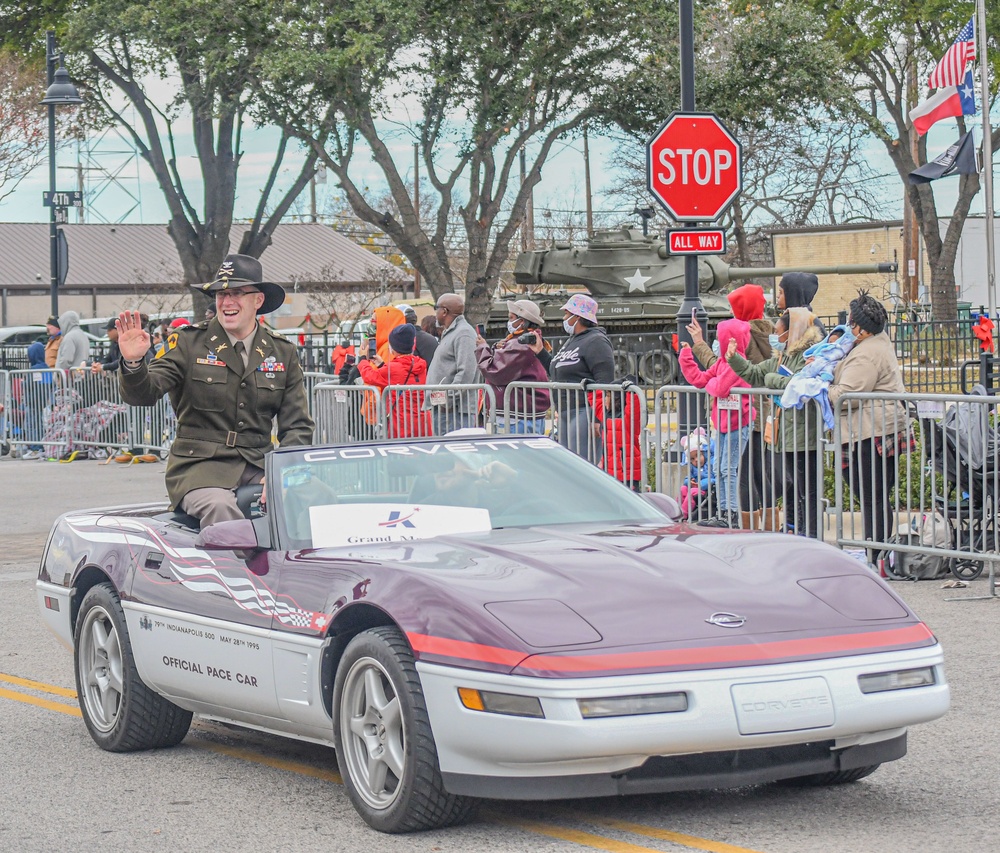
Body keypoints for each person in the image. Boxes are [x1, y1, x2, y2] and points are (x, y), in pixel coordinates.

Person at [116, 253, 314, 529]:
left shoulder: (282, 351)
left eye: (237, 293)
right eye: (221, 294)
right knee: (222, 511)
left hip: (258, 463)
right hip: (200, 468)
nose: (227, 302)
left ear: (258, 301)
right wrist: (134, 362)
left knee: (319, 498)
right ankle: (238, 573)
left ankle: (304, 571)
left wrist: (282, 471)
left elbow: (297, 426)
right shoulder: (188, 342)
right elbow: (144, 394)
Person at [827, 290, 909, 565]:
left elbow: (847, 395)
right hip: (877, 428)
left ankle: (877, 554)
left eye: (851, 322)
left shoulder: (866, 355)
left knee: (871, 495)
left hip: (869, 431)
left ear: (861, 328)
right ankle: (879, 552)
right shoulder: (876, 343)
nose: (848, 327)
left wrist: (824, 389)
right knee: (876, 496)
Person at [727, 308, 825, 538]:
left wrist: (772, 380)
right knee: (797, 490)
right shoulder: (783, 356)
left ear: (793, 333)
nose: (776, 338)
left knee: (807, 491)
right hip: (786, 435)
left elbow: (797, 383)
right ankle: (799, 530)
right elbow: (755, 374)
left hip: (804, 434)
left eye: (780, 334)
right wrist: (734, 359)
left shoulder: (808, 355)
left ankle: (810, 532)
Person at [688, 283, 775, 530]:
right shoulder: (765, 334)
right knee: (756, 472)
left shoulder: (739, 334)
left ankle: (735, 518)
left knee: (738, 472)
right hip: (756, 410)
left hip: (740, 412)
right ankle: (764, 524)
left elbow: (722, 367)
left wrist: (699, 344)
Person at [680, 318, 755, 528]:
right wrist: (687, 356)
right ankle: (722, 512)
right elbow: (700, 380)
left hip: (738, 422)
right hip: (722, 423)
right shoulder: (722, 362)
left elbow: (719, 388)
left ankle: (729, 513)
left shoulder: (736, 361)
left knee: (727, 469)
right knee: (718, 469)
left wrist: (712, 384)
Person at [548, 294, 614, 463]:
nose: (563, 318)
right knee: (569, 465)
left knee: (582, 464)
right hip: (565, 410)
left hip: (584, 411)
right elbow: (558, 369)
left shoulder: (596, 341)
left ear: (577, 316)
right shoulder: (572, 340)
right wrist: (540, 353)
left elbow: (605, 381)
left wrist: (597, 419)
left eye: (566, 314)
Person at [475, 299, 551, 433]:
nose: (508, 322)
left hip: (518, 415)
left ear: (522, 321)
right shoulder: (525, 340)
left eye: (511, 318)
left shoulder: (521, 343)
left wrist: (482, 348)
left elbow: (494, 371)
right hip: (521, 412)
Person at [357, 323, 431, 437]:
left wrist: (362, 358)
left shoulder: (394, 368)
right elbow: (399, 377)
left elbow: (369, 376)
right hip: (422, 422)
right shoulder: (420, 364)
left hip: (402, 424)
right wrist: (382, 365)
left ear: (393, 347)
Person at [424, 293, 480, 433]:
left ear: (444, 311)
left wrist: (448, 401)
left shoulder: (464, 333)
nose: (436, 312)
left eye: (437, 308)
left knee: (455, 453)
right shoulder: (453, 332)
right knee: (444, 453)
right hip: (445, 409)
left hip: (455, 412)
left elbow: (466, 371)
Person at [679, 427, 715, 516]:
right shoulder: (692, 467)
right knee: (683, 489)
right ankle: (676, 510)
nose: (696, 460)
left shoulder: (711, 464)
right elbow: (687, 477)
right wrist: (689, 482)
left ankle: (684, 514)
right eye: (692, 459)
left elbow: (715, 479)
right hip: (694, 487)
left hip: (707, 490)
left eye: (698, 455)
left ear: (705, 453)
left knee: (692, 492)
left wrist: (701, 484)